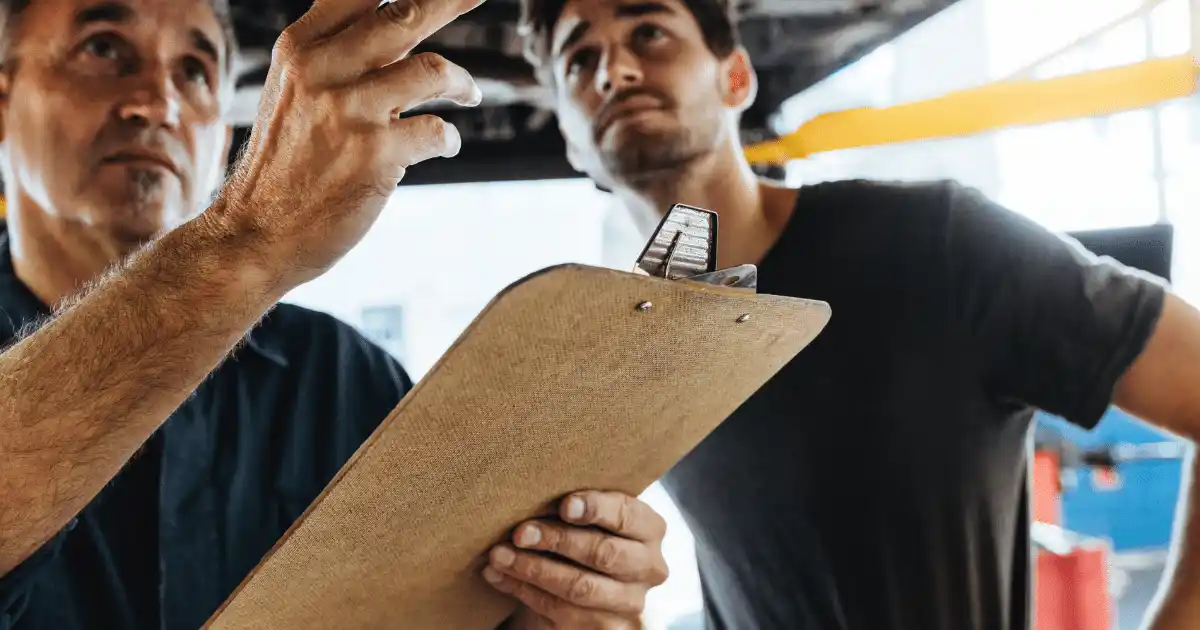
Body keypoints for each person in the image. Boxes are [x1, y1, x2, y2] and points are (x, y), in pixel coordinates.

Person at [516, 0, 1200, 628]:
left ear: (735, 78)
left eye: (649, 32)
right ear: (573, 144)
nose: (616, 70)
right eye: (580, 59)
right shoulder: (630, 350)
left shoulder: (939, 243)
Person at [0, 0, 669, 628]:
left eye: (196, 71)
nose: (157, 103)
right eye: (104, 48)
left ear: (226, 131)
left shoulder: (348, 380)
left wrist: (555, 601)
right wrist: (248, 237)